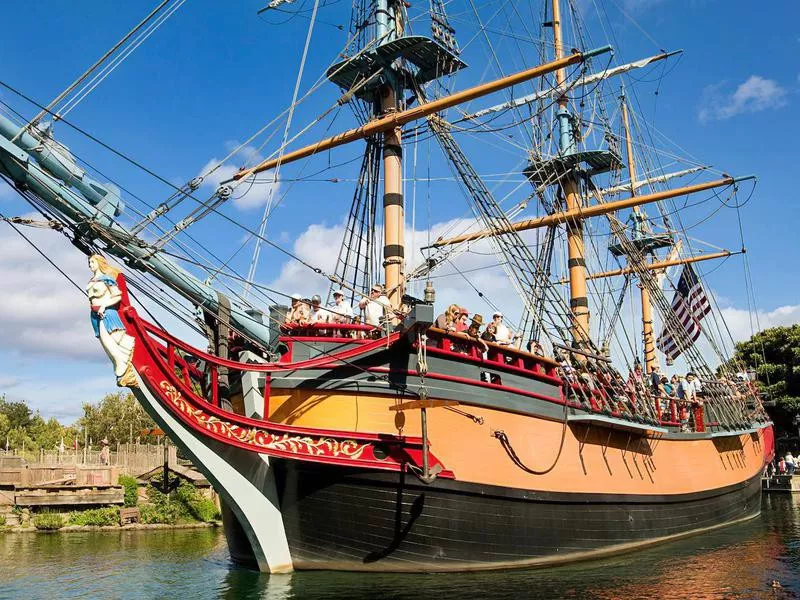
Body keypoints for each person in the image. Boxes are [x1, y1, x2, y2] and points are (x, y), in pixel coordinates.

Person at [87, 254, 137, 387]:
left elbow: (117, 296)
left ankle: (121, 362)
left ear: (99, 262)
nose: (90, 265)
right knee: (103, 342)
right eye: (89, 262)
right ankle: (117, 363)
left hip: (106, 312)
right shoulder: (91, 281)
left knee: (107, 339)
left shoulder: (107, 279)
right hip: (94, 314)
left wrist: (104, 305)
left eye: (92, 262)